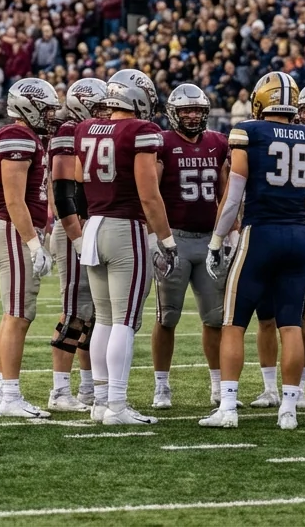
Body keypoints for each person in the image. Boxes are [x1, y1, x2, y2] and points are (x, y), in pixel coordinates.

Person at [201, 72, 305, 431]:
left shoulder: (250, 132)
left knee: (233, 323)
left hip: (260, 233)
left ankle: (227, 407)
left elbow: (234, 195)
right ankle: (288, 408)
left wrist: (216, 240)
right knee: (290, 324)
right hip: (297, 238)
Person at [73, 69, 163, 425]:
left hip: (94, 225)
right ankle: (118, 405)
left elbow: (79, 184)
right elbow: (149, 194)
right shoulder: (141, 131)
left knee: (106, 319)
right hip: (125, 227)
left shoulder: (84, 128)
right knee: (124, 321)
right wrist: (165, 238)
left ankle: (100, 400)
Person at [149, 83, 231, 410]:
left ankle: (216, 384)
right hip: (176, 239)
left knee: (215, 318)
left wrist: (230, 231)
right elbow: (151, 191)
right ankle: (161, 386)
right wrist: (156, 236)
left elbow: (227, 192)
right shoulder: (163, 144)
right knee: (167, 317)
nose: (193, 116)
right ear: (174, 113)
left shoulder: (217, 143)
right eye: (186, 111)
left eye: (197, 110)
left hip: (210, 239)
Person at [0, 78, 61, 419]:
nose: (50, 115)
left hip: (16, 231)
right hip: (15, 231)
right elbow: (14, 199)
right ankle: (10, 395)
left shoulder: (26, 137)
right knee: (18, 315)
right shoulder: (17, 136)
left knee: (15, 315)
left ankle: (4, 392)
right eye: (45, 109)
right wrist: (33, 242)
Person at [251, 80, 305, 408]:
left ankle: (297, 389)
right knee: (270, 318)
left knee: (296, 319)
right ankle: (274, 389)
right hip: (297, 236)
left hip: (276, 234)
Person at [44, 77, 107, 412]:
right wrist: (77, 235)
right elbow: (64, 193)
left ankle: (87, 389)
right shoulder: (69, 132)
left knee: (94, 314)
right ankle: (59, 391)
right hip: (75, 230)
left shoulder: (90, 131)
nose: (104, 112)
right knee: (76, 311)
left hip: (90, 226)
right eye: (98, 107)